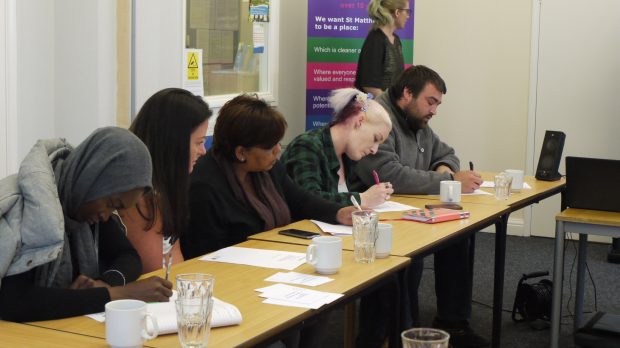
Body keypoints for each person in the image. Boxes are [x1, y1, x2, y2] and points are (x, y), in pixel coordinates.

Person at [351, 65, 487, 348]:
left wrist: (443, 168)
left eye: (438, 104)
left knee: (459, 233)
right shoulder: (377, 118)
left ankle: (453, 323)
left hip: (407, 207)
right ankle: (398, 335)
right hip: (372, 216)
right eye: (431, 101)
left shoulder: (418, 120)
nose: (434, 110)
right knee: (408, 257)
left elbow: (447, 153)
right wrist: (448, 180)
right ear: (407, 93)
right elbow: (391, 173)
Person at [0, 127, 173, 322]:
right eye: (111, 204)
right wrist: (117, 295)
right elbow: (13, 302)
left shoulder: (85, 202)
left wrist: (105, 283)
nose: (107, 215)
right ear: (93, 179)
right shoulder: (30, 208)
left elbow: (128, 256)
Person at [182, 94, 356, 257]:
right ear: (241, 152)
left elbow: (300, 200)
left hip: (275, 257)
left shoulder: (266, 167)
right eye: (270, 147)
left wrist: (339, 213)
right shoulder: (204, 186)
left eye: (278, 143)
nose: (278, 150)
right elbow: (206, 254)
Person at [121, 88, 212, 273]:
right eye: (198, 142)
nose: (203, 151)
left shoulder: (167, 185)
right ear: (174, 142)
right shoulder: (138, 195)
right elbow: (153, 271)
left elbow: (173, 253)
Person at [281, 87, 394, 208]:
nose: (374, 150)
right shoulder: (306, 146)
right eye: (375, 139)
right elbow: (307, 201)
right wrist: (362, 198)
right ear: (359, 121)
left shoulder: (348, 157)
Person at [354, 0, 411, 97]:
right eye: (407, 11)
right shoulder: (375, 40)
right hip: (373, 109)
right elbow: (370, 87)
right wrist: (390, 107)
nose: (408, 16)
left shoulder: (396, 40)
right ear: (397, 12)